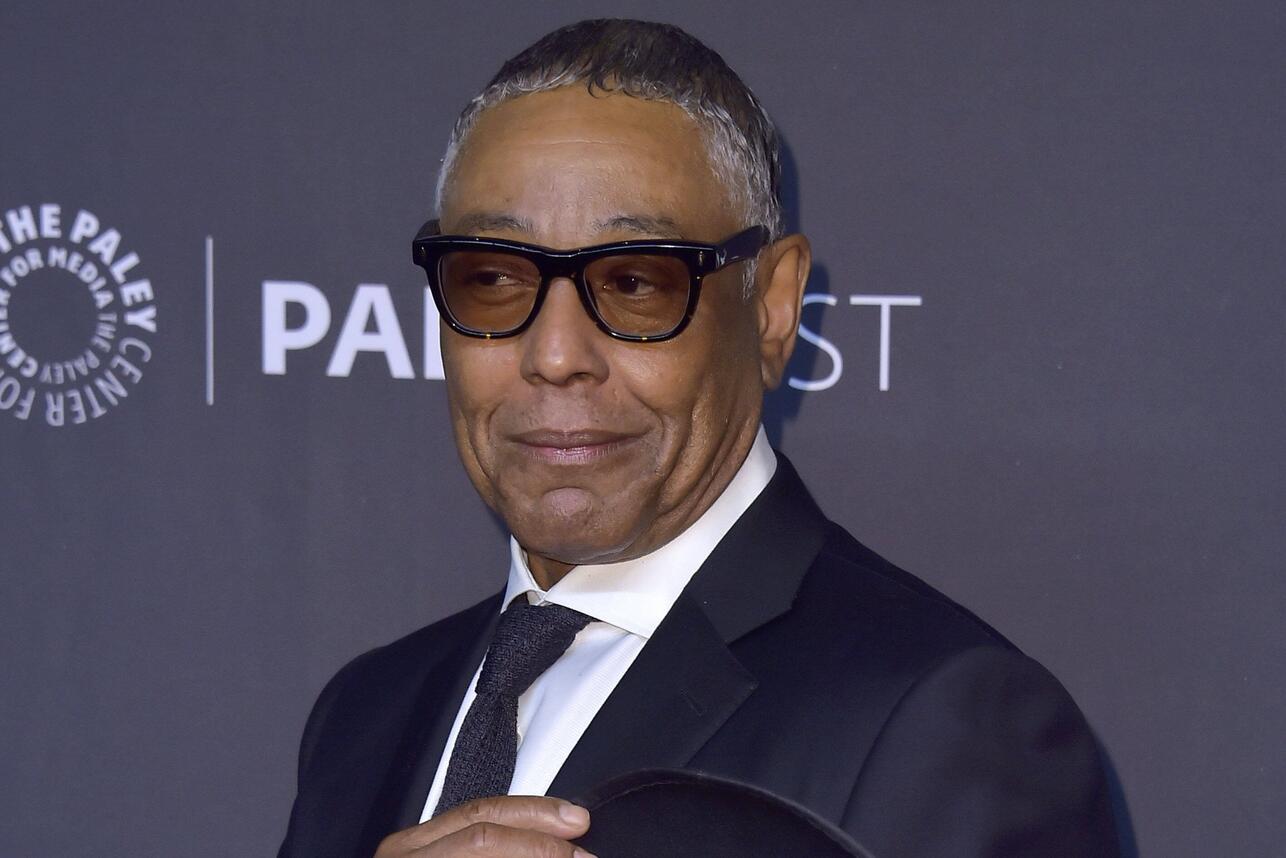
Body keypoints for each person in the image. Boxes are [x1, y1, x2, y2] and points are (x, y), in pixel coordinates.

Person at [278, 19, 1118, 858]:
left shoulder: (944, 725)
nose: (556, 356)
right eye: (493, 278)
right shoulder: (366, 714)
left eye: (636, 281)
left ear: (772, 307)